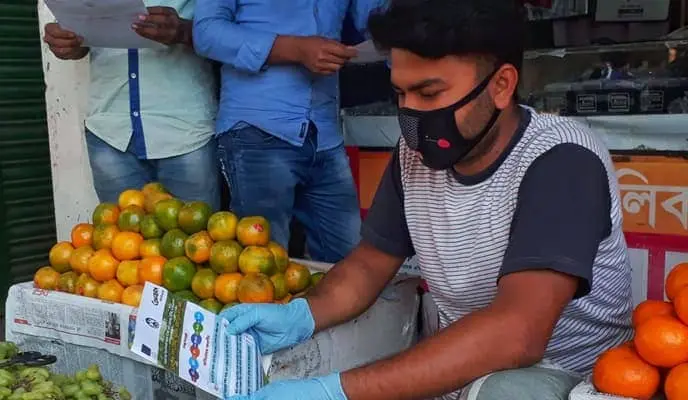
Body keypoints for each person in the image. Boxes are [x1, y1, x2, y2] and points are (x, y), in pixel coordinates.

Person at [220, 0, 634, 399]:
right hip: (461, 374)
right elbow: (368, 264)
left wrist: (335, 391)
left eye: (429, 93)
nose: (411, 114)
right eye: (401, 93)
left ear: (502, 85)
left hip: (567, 379)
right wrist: (303, 314)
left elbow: (517, 332)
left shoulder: (561, 160)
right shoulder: (414, 156)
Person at [192, 0, 386, 262]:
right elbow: (206, 32)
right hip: (257, 129)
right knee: (263, 268)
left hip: (324, 132)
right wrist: (294, 49)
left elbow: (378, 20)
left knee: (351, 261)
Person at [42, 3, 220, 210]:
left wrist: (185, 31)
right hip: (110, 131)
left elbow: (233, 32)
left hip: (186, 131)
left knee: (195, 239)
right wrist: (68, 41)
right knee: (118, 238)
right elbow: (81, 34)